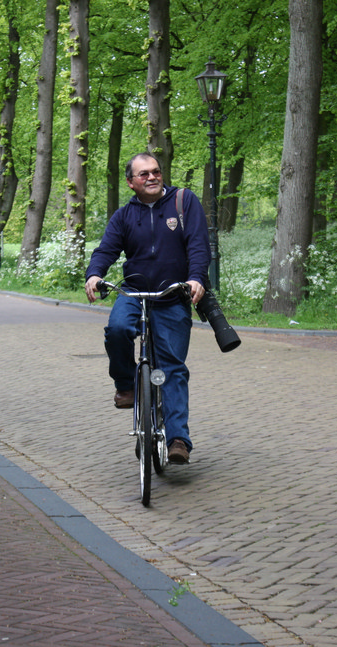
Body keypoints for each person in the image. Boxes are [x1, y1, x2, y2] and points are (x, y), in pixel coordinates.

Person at [84, 152, 210, 465]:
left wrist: (195, 278)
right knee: (117, 330)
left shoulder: (184, 202)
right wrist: (94, 274)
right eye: (144, 174)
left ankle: (178, 439)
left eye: (156, 171)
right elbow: (106, 250)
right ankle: (126, 385)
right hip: (134, 291)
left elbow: (198, 244)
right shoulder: (124, 216)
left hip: (172, 294)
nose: (152, 177)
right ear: (131, 182)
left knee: (172, 369)